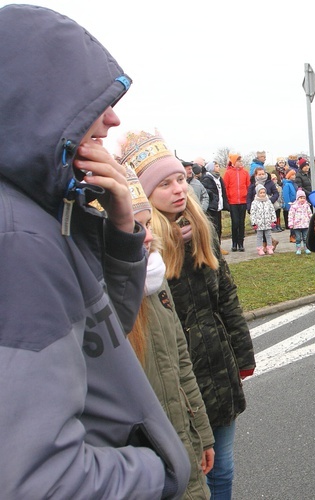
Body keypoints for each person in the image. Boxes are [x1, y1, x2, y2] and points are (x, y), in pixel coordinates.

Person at [0, 5, 190, 498]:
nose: (113, 117)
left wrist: (122, 227)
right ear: (41, 102)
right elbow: (40, 481)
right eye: (94, 101)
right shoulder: (19, 238)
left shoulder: (39, 213)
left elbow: (101, 333)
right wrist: (162, 470)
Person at [124, 130, 256, 500]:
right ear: (145, 195)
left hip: (217, 366)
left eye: (180, 178)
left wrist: (242, 355)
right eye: (164, 184)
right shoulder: (146, 249)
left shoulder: (202, 231)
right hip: (180, 378)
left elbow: (226, 296)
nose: (178, 189)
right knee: (191, 471)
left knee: (224, 466)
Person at [126, 174, 215, 499]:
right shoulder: (104, 308)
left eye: (147, 224)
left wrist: (203, 435)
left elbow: (180, 365)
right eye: (134, 226)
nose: (147, 237)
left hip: (186, 438)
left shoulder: (153, 280)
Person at [247, 167, 280, 251]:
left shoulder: (270, 183)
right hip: (258, 209)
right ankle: (270, 242)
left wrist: (270, 201)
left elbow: (276, 193)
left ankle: (266, 245)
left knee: (267, 228)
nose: (261, 176)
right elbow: (249, 197)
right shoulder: (252, 185)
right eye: (259, 174)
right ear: (256, 175)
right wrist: (249, 207)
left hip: (268, 208)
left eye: (263, 174)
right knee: (260, 228)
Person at [224, 153, 250, 251]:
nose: (240, 163)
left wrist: (247, 198)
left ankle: (241, 243)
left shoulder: (245, 173)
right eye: (238, 161)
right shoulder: (228, 173)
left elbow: (248, 186)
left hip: (243, 201)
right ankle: (234, 243)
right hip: (233, 202)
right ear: (234, 162)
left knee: (241, 223)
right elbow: (225, 187)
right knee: (235, 223)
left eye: (240, 161)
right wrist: (227, 200)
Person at [201, 160, 229, 254]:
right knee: (213, 229)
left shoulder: (219, 178)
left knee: (219, 228)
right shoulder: (207, 178)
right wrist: (213, 199)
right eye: (216, 166)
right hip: (211, 207)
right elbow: (207, 192)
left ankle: (218, 247)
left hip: (218, 206)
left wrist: (225, 204)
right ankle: (213, 249)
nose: (218, 168)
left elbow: (222, 192)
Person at [249, 184, 277, 256]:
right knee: (259, 236)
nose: (262, 194)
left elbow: (272, 211)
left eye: (264, 192)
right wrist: (254, 223)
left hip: (267, 222)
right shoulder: (255, 203)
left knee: (268, 235)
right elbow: (253, 213)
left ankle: (269, 248)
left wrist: (273, 220)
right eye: (260, 193)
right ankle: (260, 248)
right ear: (257, 193)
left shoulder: (268, 201)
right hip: (259, 223)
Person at [288, 188, 313, 254]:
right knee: (298, 238)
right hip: (297, 225)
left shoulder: (307, 205)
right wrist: (291, 223)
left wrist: (312, 221)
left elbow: (310, 213)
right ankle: (298, 249)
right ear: (297, 198)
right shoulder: (294, 206)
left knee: (305, 237)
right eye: (300, 198)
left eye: (303, 198)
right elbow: (291, 215)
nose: (302, 199)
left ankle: (306, 248)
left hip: (305, 224)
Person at [283, 170, 298, 238]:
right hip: (291, 205)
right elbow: (286, 196)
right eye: (292, 175)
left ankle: (296, 235)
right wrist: (289, 206)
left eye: (294, 175)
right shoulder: (287, 185)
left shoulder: (294, 184)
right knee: (292, 221)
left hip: (296, 205)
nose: (293, 176)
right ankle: (292, 235)